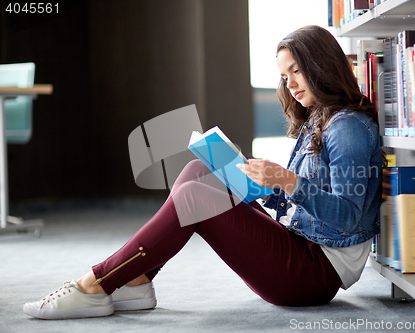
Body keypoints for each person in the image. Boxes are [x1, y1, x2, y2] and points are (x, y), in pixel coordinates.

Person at [23, 25, 384, 320]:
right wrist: (255, 178)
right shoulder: (320, 118)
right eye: (283, 74)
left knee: (194, 197)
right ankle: (137, 280)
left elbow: (348, 217)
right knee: (198, 169)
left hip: (314, 275)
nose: (289, 83)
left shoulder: (347, 127)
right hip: (303, 249)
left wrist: (286, 180)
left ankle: (96, 284)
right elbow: (297, 203)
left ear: (321, 66)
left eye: (296, 70)